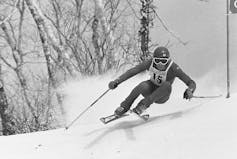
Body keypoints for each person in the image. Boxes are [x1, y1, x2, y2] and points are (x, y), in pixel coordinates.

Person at [108, 46, 196, 116]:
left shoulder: (173, 68)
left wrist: (190, 90)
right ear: (153, 59)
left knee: (167, 85)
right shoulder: (150, 63)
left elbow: (191, 82)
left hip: (162, 96)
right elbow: (133, 71)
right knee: (142, 85)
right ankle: (124, 107)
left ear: (168, 60)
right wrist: (117, 81)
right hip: (150, 90)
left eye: (163, 61)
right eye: (157, 61)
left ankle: (142, 106)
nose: (160, 64)